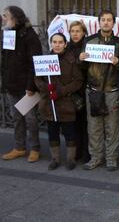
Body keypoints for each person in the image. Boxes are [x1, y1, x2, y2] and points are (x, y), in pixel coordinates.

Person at [79, 10, 119, 171]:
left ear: (114, 23)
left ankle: (111, 159)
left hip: (112, 91)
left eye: (109, 20)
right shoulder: (89, 41)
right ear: (99, 22)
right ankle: (95, 158)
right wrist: (82, 60)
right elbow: (83, 68)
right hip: (93, 90)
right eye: (103, 20)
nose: (106, 22)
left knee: (112, 127)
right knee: (94, 127)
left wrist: (117, 63)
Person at [34, 33, 83, 170]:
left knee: (69, 133)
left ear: (65, 44)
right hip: (50, 104)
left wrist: (60, 91)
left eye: (60, 42)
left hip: (66, 102)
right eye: (54, 42)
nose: (57, 44)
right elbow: (37, 79)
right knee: (52, 133)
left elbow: (78, 81)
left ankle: (70, 159)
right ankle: (55, 159)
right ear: (51, 43)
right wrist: (45, 87)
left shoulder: (72, 60)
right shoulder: (44, 60)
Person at [1, 6, 41, 162]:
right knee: (16, 118)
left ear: (15, 18)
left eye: (6, 16)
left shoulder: (30, 36)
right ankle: (19, 147)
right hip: (12, 85)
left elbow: (34, 63)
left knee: (30, 119)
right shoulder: (8, 34)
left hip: (27, 88)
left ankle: (35, 148)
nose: (3, 18)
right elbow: (6, 60)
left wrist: (31, 86)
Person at [67, 20, 90, 163]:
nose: (75, 34)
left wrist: (82, 60)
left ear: (83, 33)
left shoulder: (88, 47)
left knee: (86, 124)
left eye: (78, 31)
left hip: (85, 90)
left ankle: (88, 153)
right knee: (73, 124)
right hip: (70, 92)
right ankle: (76, 152)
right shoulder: (66, 47)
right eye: (72, 31)